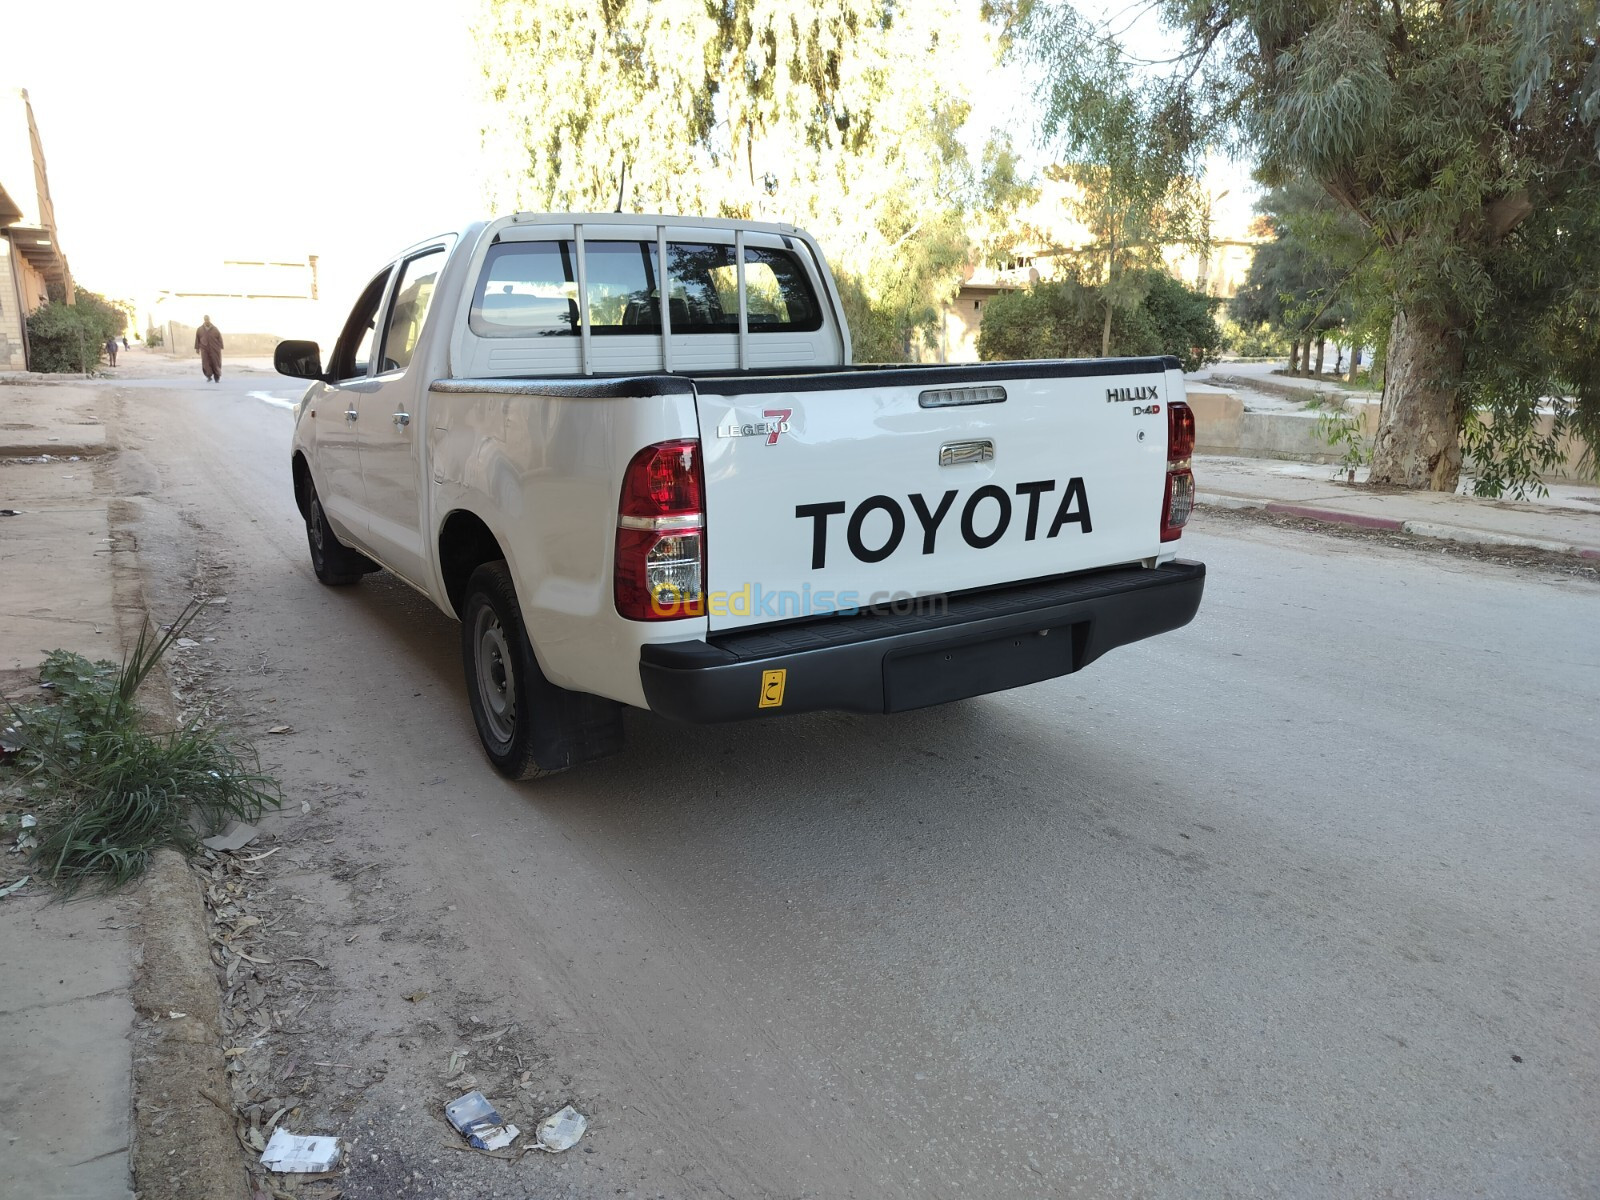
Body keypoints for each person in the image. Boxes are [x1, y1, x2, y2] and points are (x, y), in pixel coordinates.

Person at [195, 316, 224, 382]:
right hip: (204, 348)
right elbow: (197, 339)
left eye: (208, 319)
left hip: (214, 349)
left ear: (209, 320)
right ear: (204, 320)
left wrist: (220, 346)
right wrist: (197, 348)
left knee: (216, 363)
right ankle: (209, 376)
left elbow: (219, 338)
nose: (207, 321)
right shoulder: (200, 329)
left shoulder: (215, 329)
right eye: (205, 320)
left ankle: (217, 377)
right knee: (206, 363)